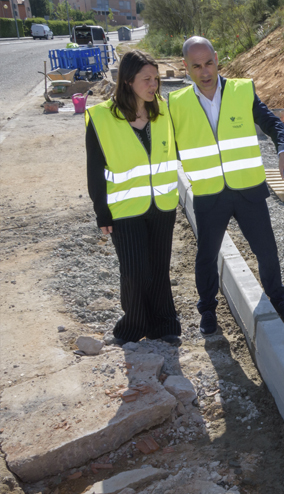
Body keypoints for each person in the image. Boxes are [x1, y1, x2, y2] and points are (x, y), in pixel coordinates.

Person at [169, 36, 284, 336]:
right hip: (209, 193)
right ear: (186, 67)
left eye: (209, 63)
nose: (204, 72)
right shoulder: (176, 104)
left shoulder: (242, 91)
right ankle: (207, 310)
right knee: (206, 255)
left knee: (266, 250)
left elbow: (274, 124)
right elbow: (164, 147)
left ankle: (278, 301)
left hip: (247, 190)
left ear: (217, 58)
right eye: (196, 66)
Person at [85, 49, 182, 346]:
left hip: (162, 205)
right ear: (127, 81)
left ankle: (165, 325)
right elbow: (94, 169)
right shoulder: (101, 118)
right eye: (147, 79)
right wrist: (101, 212)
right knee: (134, 271)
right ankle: (131, 328)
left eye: (156, 79)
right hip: (124, 209)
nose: (154, 85)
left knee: (158, 268)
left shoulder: (165, 110)